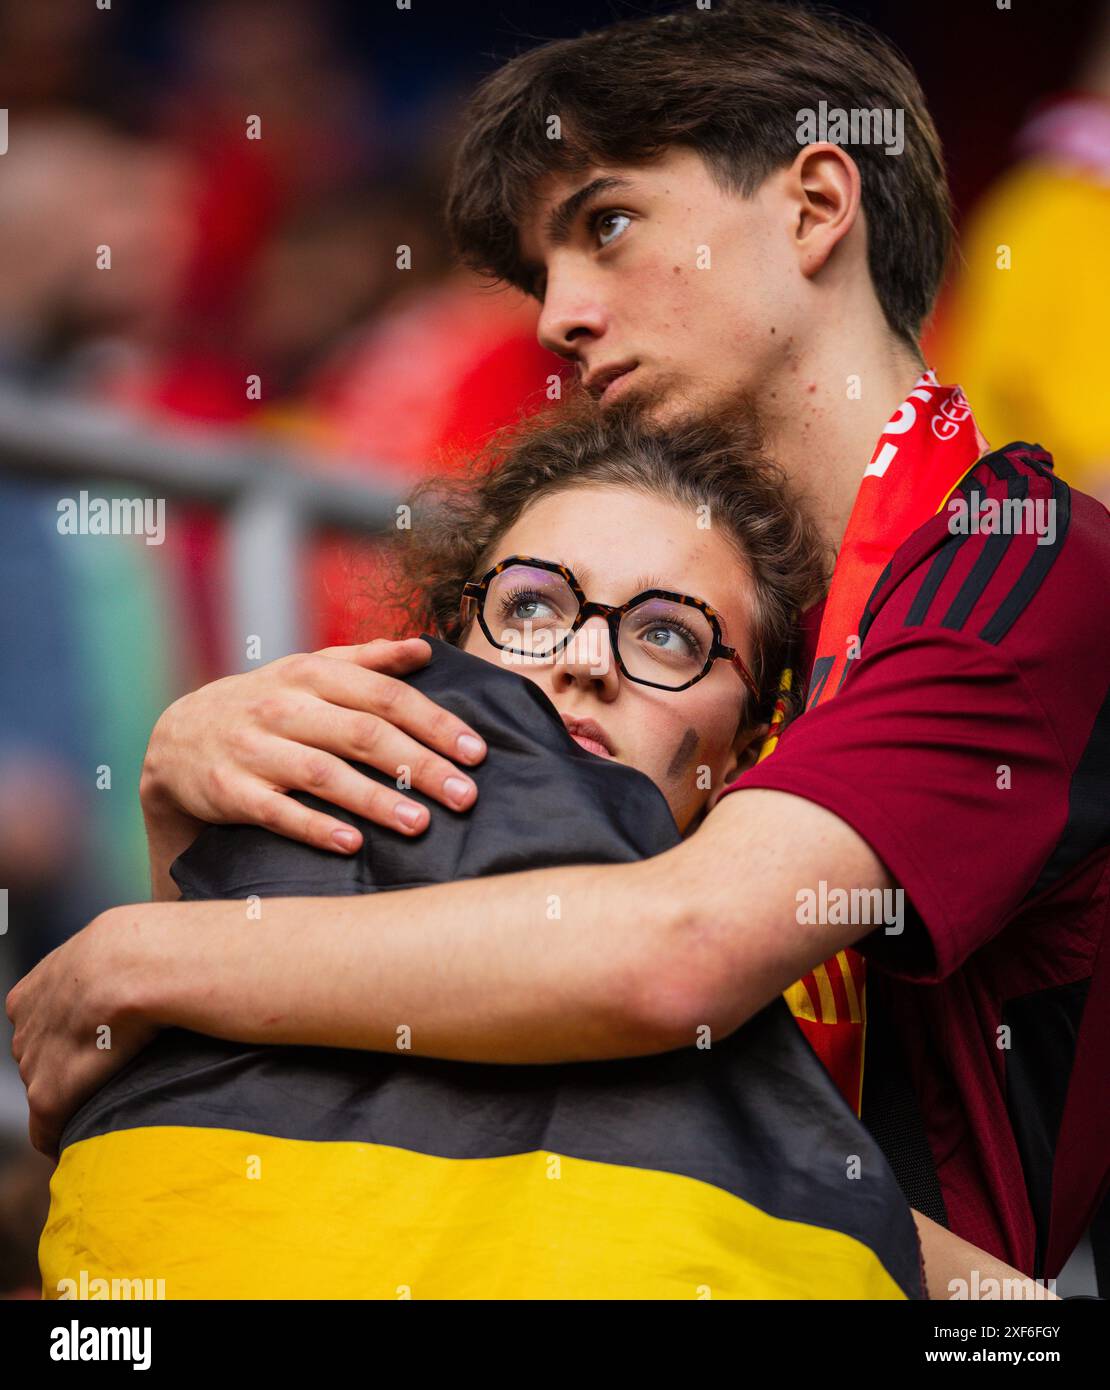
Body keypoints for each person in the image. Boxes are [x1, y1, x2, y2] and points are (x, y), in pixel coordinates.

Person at [10, 0, 1109, 1284]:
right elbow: (374, 1033)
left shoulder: (1021, 553)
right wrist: (190, 816)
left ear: (815, 204)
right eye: (545, 273)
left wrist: (159, 950)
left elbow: (674, 958)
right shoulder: (657, 616)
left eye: (608, 225)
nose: (556, 318)